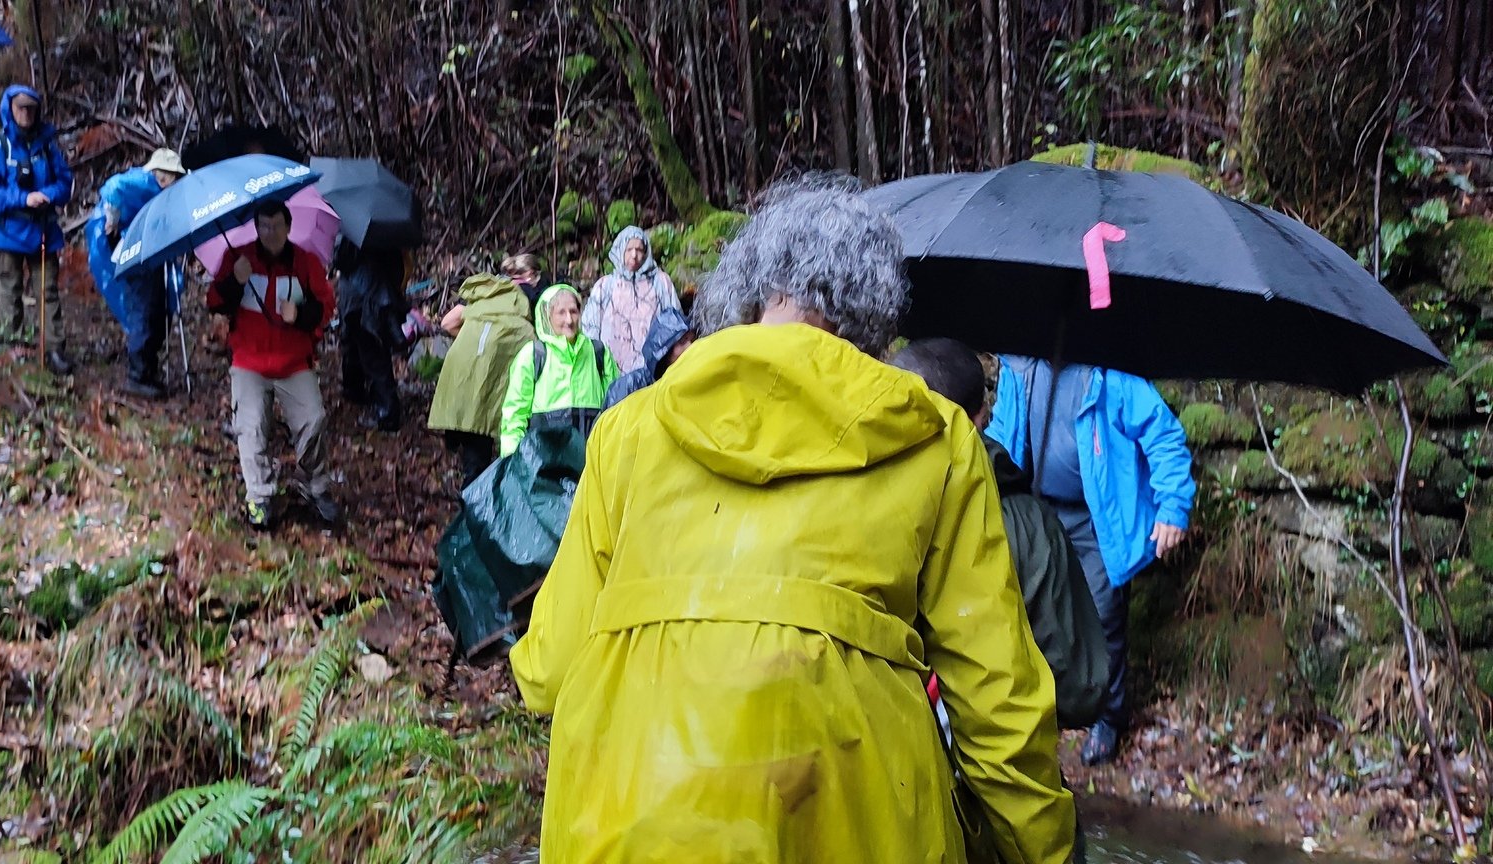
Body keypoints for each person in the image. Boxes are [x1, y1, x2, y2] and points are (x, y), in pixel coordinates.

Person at [510, 174, 1076, 864]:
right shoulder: (938, 437)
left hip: (626, 815)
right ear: (875, 313)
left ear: (748, 291)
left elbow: (547, 673)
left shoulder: (629, 429)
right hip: (856, 814)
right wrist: (1042, 846)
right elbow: (997, 699)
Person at [985, 353, 1196, 766]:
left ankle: (1107, 717)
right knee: (1027, 608)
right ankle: (1044, 705)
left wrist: (1173, 505)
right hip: (1035, 508)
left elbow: (1161, 432)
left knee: (1102, 619)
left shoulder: (1111, 372)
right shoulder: (1019, 365)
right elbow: (1000, 429)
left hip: (1098, 519)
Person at [892, 337, 1110, 731]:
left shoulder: (839, 494)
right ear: (980, 417)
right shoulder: (1024, 525)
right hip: (989, 753)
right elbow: (1078, 686)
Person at [208, 200, 339, 530]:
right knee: (251, 428)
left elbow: (325, 307)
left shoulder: (305, 262)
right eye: (264, 226)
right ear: (256, 228)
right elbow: (216, 302)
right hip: (249, 361)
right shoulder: (237, 258)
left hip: (294, 362)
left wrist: (301, 315)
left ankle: (315, 484)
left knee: (313, 420)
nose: (270, 233)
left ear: (288, 227)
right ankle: (260, 494)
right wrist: (234, 282)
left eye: (276, 226)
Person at [0, 84, 74, 374]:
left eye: (31, 109)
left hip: (42, 229)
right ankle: (15, 346)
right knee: (10, 290)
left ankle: (54, 349)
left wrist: (49, 196)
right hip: (7, 231)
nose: (26, 114)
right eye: (21, 108)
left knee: (48, 291)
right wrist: (23, 198)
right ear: (10, 109)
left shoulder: (46, 144)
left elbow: (65, 181)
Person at [85, 148, 187, 398]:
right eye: (174, 178)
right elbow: (113, 189)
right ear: (163, 176)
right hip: (136, 259)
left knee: (156, 313)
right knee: (143, 312)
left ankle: (148, 372)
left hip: (149, 257)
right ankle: (137, 376)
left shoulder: (155, 193)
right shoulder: (143, 184)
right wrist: (113, 217)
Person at [427, 273, 535, 488]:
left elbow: (447, 323)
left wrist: (467, 335)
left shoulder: (477, 306)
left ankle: (464, 469)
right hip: (487, 390)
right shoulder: (522, 327)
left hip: (460, 377)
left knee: (466, 422)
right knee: (480, 437)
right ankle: (474, 502)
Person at [498, 284, 619, 456]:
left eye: (573, 311)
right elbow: (514, 415)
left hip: (591, 457)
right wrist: (513, 460)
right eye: (561, 313)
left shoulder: (598, 352)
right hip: (545, 459)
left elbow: (616, 408)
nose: (569, 320)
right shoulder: (533, 355)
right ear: (548, 316)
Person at [582, 226, 680, 374]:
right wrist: (596, 364)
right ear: (620, 250)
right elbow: (590, 328)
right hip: (611, 370)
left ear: (646, 252)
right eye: (629, 250)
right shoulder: (605, 286)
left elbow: (675, 323)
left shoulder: (661, 282)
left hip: (652, 370)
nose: (634, 255)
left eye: (639, 250)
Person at [336, 242, 409, 431]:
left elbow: (340, 259)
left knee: (374, 358)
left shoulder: (353, 232)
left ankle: (388, 415)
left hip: (365, 303)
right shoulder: (389, 232)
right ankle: (356, 393)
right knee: (357, 349)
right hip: (372, 300)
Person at [600, 307, 691, 411]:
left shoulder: (688, 388)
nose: (690, 346)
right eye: (683, 341)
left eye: (692, 339)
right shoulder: (629, 387)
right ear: (665, 349)